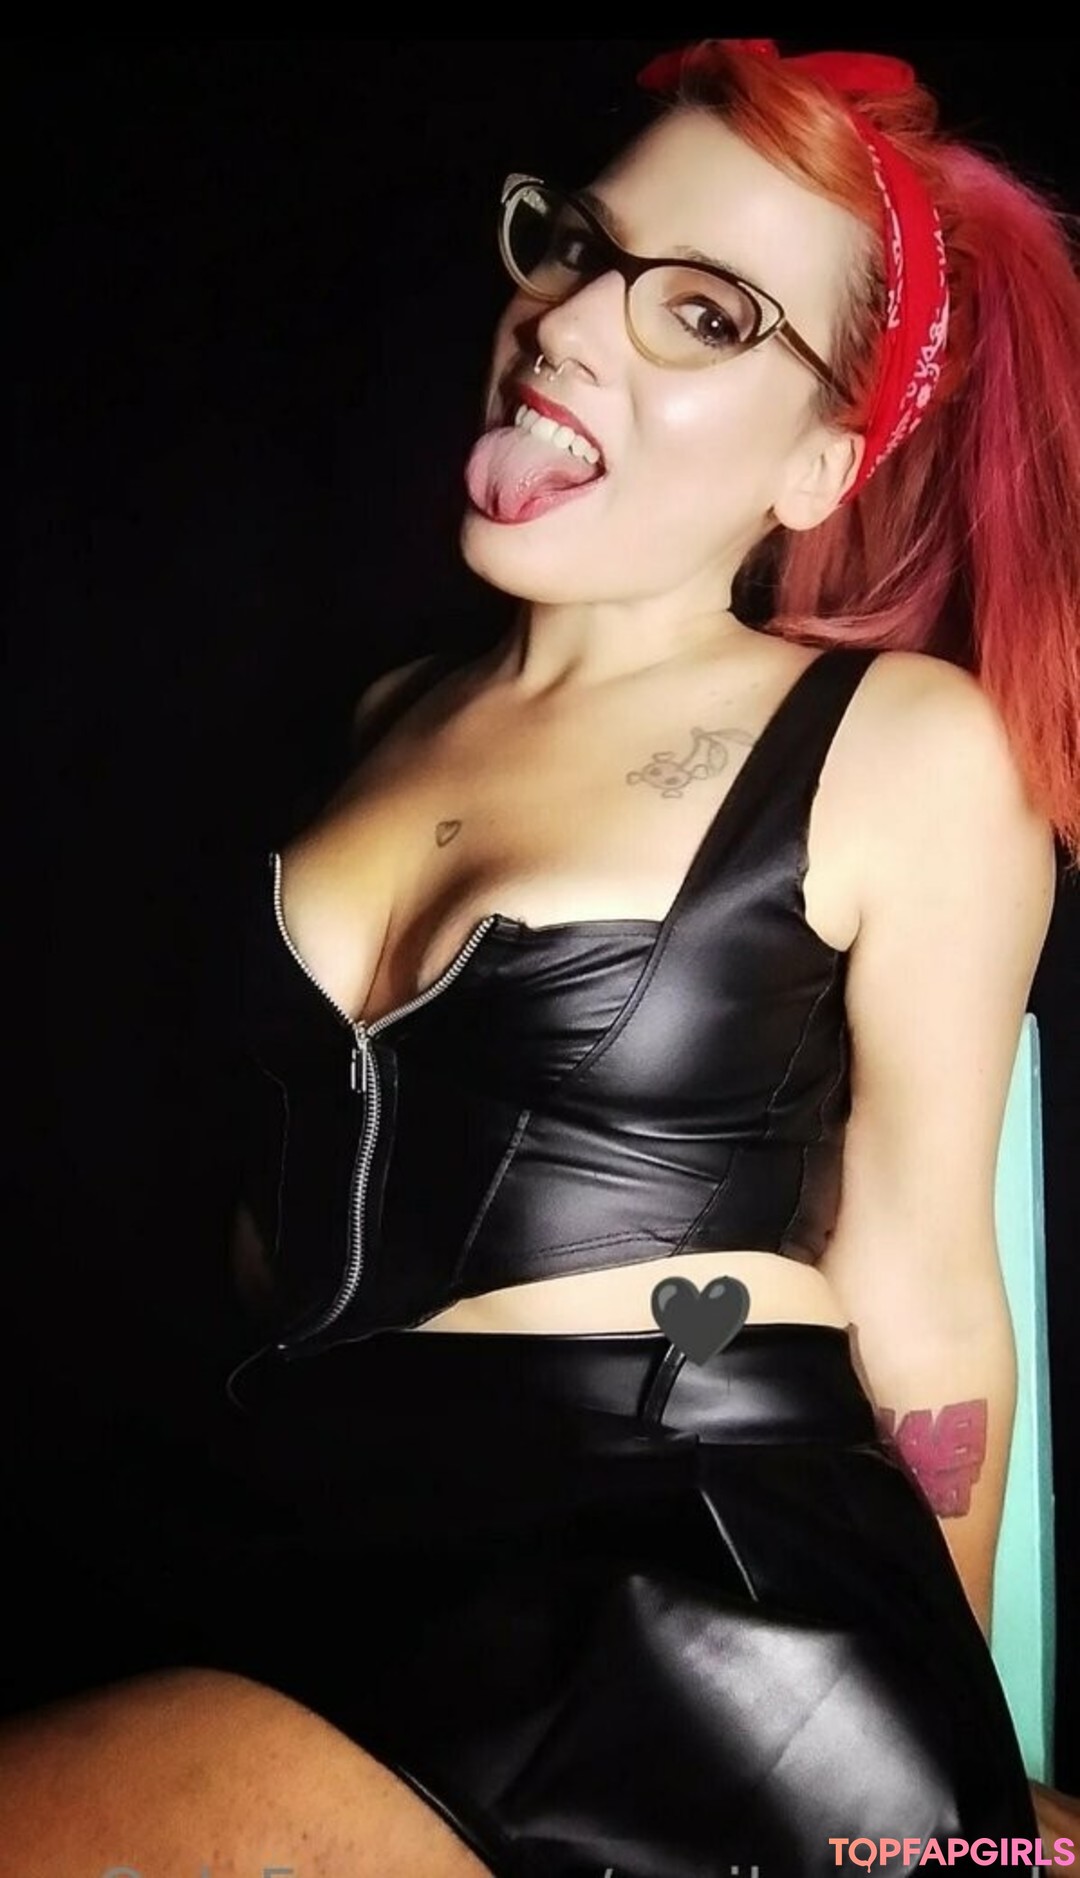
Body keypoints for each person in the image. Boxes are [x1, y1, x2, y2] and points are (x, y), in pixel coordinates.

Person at [2, 35, 1079, 1878]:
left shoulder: (894, 745)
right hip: (309, 1566)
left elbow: (921, 1287)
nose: (569, 322)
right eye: (581, 246)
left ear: (823, 460)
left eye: (707, 316)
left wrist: (944, 1807)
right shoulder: (376, 719)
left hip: (677, 1607)